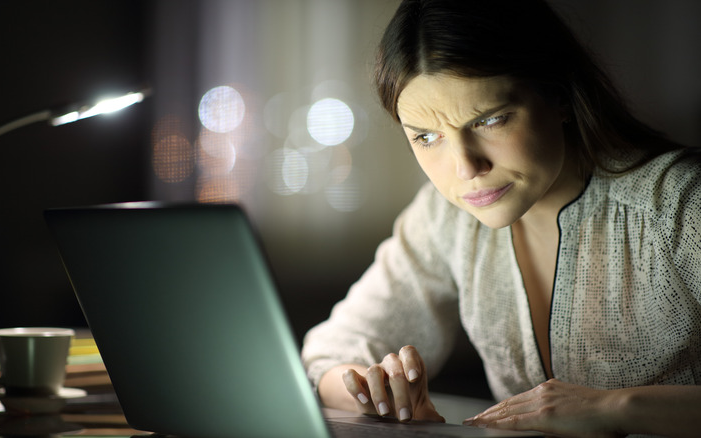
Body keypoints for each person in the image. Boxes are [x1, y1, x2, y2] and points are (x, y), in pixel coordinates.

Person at [300, 0, 701, 437]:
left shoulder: (680, 205)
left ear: (559, 94)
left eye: (490, 120)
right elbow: (329, 355)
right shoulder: (445, 217)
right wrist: (375, 392)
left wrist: (618, 408)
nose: (466, 168)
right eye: (427, 137)